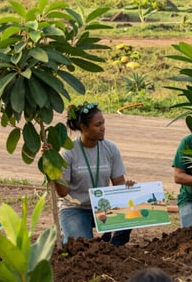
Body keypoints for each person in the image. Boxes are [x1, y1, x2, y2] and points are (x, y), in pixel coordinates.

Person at [55, 102, 134, 246]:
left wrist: (126, 188)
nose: (103, 128)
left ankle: (112, 248)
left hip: (103, 205)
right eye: (97, 125)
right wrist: (54, 171)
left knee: (132, 213)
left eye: (103, 123)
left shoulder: (110, 148)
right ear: (84, 128)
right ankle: (73, 235)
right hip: (75, 208)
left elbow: (118, 181)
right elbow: (62, 192)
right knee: (81, 245)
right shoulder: (68, 152)